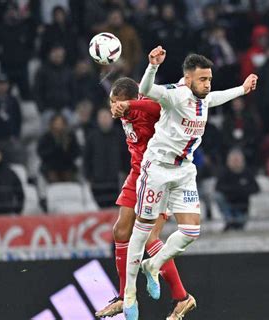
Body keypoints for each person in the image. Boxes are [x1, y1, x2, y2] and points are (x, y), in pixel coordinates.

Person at [112, 46, 258, 318]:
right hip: (157, 170)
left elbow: (216, 97)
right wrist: (152, 66)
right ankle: (130, 295)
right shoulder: (176, 95)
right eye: (203, 79)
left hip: (183, 171)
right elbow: (149, 89)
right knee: (141, 233)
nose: (208, 84)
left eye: (209, 79)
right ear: (188, 79)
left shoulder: (203, 98)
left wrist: (242, 89)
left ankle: (152, 266)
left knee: (191, 233)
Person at [95, 78, 195, 319]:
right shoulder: (124, 115)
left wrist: (130, 104)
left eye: (116, 102)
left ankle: (182, 297)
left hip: (159, 175)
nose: (113, 107)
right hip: (136, 174)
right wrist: (124, 108)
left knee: (150, 238)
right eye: (111, 102)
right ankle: (122, 297)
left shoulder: (147, 108)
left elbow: (158, 107)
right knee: (120, 231)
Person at [215, 148, 259, 231]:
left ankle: (237, 222)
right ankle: (229, 220)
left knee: (239, 224)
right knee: (217, 196)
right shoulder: (224, 173)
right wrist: (236, 190)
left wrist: (240, 191)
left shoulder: (247, 173)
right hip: (228, 204)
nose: (235, 162)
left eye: (238, 160)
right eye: (233, 160)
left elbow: (256, 188)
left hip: (243, 206)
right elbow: (218, 188)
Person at [0, 142, 24, 215]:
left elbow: (20, 194)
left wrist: (17, 212)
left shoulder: (10, 173)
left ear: (1, 154)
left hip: (6, 214)